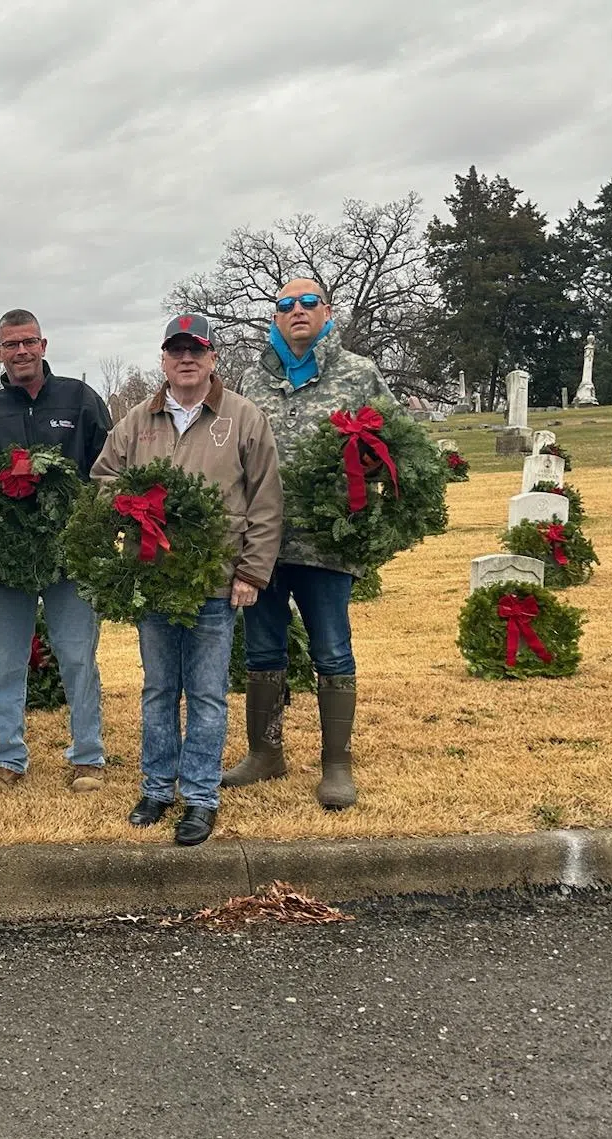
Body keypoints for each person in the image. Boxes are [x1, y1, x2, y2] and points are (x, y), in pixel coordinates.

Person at [90, 315, 281, 846]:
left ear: (212, 358)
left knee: (207, 693)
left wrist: (251, 571)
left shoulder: (243, 418)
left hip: (217, 581)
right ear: (164, 360)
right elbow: (103, 478)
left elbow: (266, 500)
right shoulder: (137, 421)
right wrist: (129, 506)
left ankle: (199, 796)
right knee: (157, 690)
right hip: (155, 579)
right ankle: (157, 786)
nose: (186, 359)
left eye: (195, 350)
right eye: (176, 351)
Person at [227, 279, 398, 809]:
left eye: (307, 303)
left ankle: (336, 765)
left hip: (327, 544)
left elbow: (398, 443)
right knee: (262, 648)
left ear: (326, 311)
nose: (296, 311)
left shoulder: (358, 372)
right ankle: (265, 752)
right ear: (275, 317)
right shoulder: (250, 379)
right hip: (261, 544)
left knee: (332, 648)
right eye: (285, 305)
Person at [0, 308, 112, 793]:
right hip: (10, 562)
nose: (21, 351)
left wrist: (94, 533)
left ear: (44, 345)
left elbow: (106, 470)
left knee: (75, 654)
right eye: (11, 344)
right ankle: (8, 757)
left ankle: (87, 755)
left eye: (29, 342)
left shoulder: (81, 399)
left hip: (69, 557)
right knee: (7, 659)